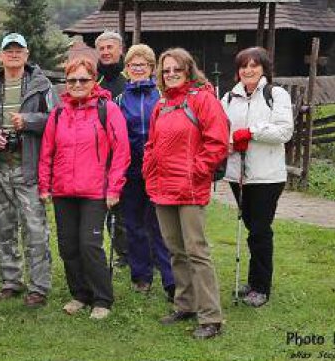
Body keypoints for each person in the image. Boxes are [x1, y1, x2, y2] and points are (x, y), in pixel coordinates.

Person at [144, 48, 228, 340]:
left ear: (188, 70)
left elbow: (217, 141)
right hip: (162, 187)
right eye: (166, 70)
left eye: (176, 69)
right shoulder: (162, 104)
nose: (171, 74)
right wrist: (149, 169)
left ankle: (211, 317)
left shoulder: (203, 99)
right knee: (175, 250)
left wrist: (197, 171)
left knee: (196, 251)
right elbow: (152, 143)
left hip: (190, 188)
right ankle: (185, 304)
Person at [39, 56, 130, 320]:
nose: (77, 84)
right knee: (68, 246)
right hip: (63, 191)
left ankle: (102, 298)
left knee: (89, 245)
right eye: (72, 80)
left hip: (95, 191)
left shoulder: (107, 109)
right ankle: (80, 294)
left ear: (93, 81)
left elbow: (121, 151)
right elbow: (47, 152)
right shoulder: (58, 113)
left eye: (83, 79)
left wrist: (114, 188)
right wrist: (44, 185)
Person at [0, 33, 56, 308]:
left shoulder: (42, 85)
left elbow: (57, 118)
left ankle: (38, 287)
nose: (13, 55)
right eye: (8, 50)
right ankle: (11, 281)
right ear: (0, 56)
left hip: (28, 166)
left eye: (18, 50)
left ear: (27, 55)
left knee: (35, 229)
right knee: (2, 227)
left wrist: (29, 121)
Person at [222, 46, 294, 308]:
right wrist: (230, 142)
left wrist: (251, 132)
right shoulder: (229, 98)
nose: (248, 70)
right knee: (251, 227)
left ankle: (261, 286)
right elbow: (221, 130)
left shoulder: (275, 94)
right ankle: (253, 281)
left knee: (260, 230)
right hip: (238, 175)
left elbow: (284, 131)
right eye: (243, 66)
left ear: (264, 68)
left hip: (267, 176)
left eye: (254, 65)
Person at [116, 44, 175, 300]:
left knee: (160, 224)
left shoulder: (163, 97)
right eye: (133, 65)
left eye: (143, 64)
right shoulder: (119, 100)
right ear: (127, 69)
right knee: (134, 224)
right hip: (131, 171)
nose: (138, 68)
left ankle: (171, 279)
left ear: (152, 68)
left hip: (159, 169)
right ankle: (141, 276)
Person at [94, 30, 129, 268]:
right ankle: (122, 253)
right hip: (101, 156)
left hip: (129, 151)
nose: (106, 52)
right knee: (110, 207)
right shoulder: (95, 81)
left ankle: (140, 252)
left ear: (120, 50)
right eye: (102, 49)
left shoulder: (130, 78)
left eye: (110, 47)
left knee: (131, 208)